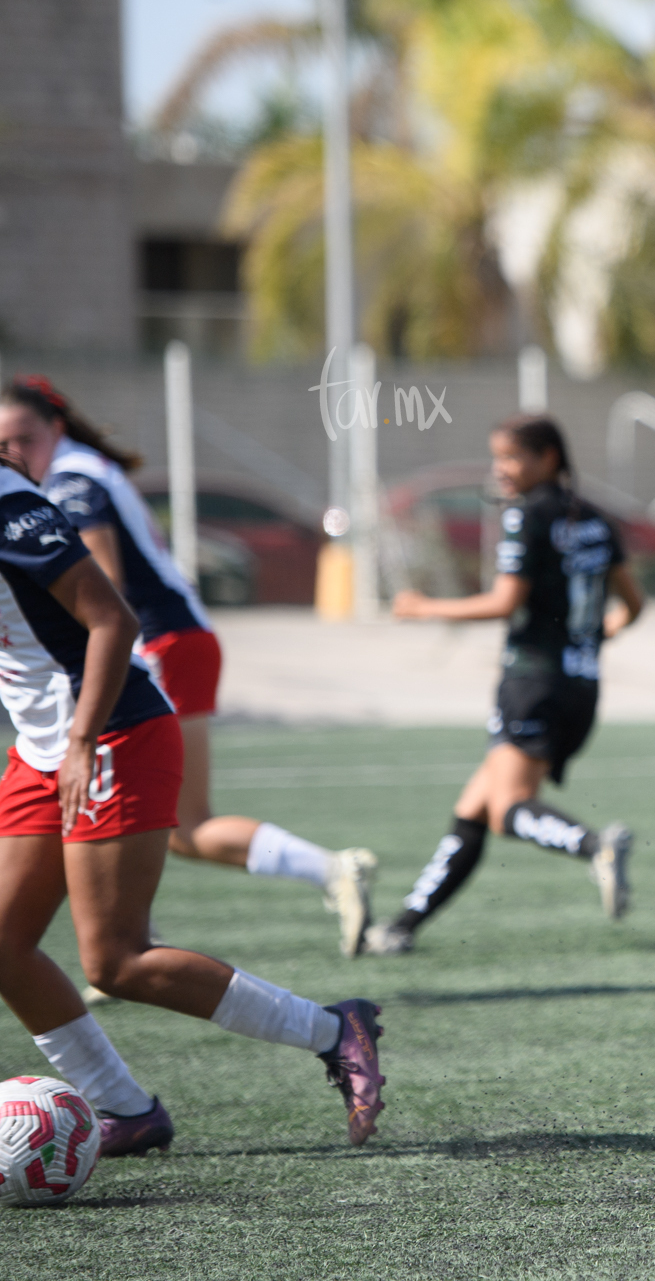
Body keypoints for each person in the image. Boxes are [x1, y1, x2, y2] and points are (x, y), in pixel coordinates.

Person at [0, 449, 384, 1154]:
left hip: (111, 730)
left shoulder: (9, 509)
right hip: (40, 747)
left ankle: (334, 1030)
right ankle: (125, 1108)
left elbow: (112, 621)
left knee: (115, 960)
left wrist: (82, 738)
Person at [0, 377, 380, 958]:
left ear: (55, 427)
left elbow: (109, 593)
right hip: (178, 638)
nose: (16, 451)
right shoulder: (81, 469)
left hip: (159, 646)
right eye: (5, 441)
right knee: (179, 825)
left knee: (184, 823)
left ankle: (325, 871)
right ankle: (126, 940)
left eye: (24, 436)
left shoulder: (73, 481)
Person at [365, 414, 644, 955]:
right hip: (580, 688)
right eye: (497, 457)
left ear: (549, 459)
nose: (502, 469)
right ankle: (403, 926)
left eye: (513, 457)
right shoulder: (595, 519)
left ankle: (596, 847)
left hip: (531, 680)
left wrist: (424, 608)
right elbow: (634, 605)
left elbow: (503, 603)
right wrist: (591, 638)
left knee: (507, 809)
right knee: (474, 807)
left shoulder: (526, 517)